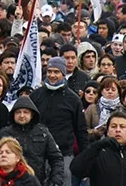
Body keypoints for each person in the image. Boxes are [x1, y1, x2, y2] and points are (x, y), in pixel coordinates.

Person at [30, 57, 88, 185]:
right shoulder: (36, 95)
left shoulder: (73, 99)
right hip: (38, 154)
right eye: (50, 71)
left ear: (63, 73)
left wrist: (85, 158)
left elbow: (81, 130)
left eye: (56, 72)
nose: (52, 75)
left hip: (64, 154)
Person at [0, 96, 63, 186]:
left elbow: (56, 158)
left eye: (26, 112)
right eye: (18, 112)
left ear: (32, 115)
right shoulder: (5, 132)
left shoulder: (42, 132)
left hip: (38, 182)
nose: (22, 115)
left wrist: (55, 181)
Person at [70, 111, 126, 186]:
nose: (118, 130)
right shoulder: (97, 154)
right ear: (108, 131)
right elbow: (76, 170)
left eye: (122, 127)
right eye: (113, 126)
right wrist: (96, 146)